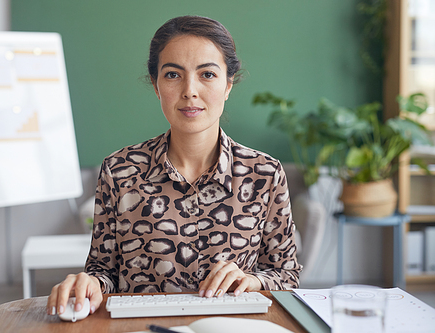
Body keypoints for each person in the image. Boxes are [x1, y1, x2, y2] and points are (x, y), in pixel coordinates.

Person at [47, 15, 301, 317]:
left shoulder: (264, 174)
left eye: (207, 74)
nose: (190, 90)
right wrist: (87, 283)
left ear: (228, 84)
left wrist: (255, 280)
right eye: (172, 75)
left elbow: (287, 276)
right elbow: (104, 273)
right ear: (156, 85)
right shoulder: (119, 171)